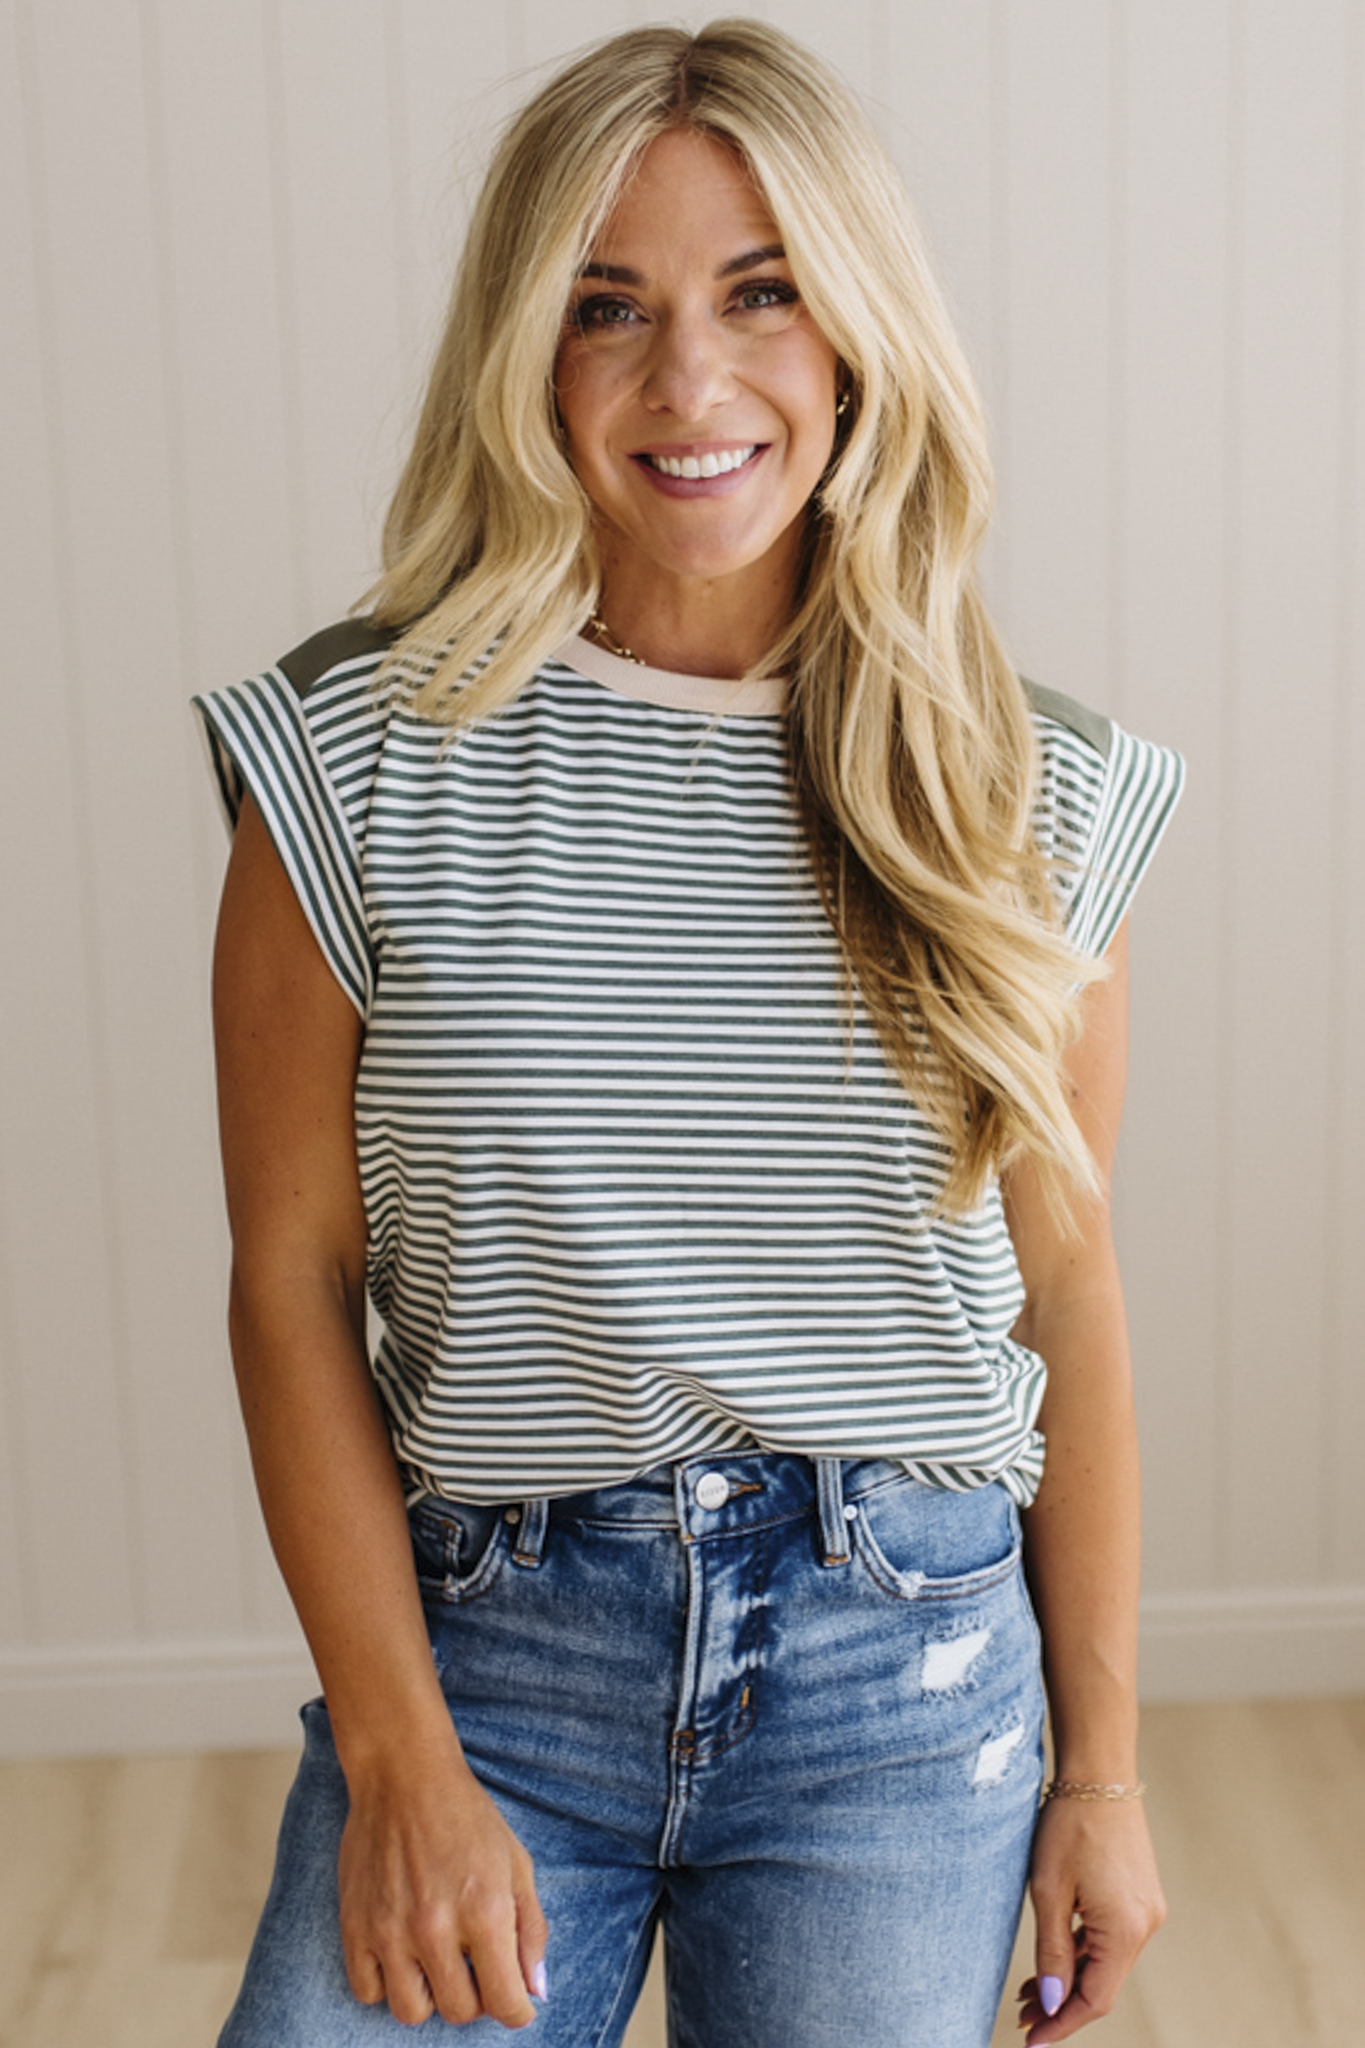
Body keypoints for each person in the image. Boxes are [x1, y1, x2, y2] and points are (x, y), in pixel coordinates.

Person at [195, 19, 1181, 2048]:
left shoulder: (1026, 783)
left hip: (899, 1688)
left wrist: (1103, 1775)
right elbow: (291, 1280)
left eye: (760, 294)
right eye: (605, 311)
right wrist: (398, 1764)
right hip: (486, 1661)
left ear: (857, 332)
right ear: (522, 355)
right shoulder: (354, 753)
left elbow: (1066, 1292)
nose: (689, 385)